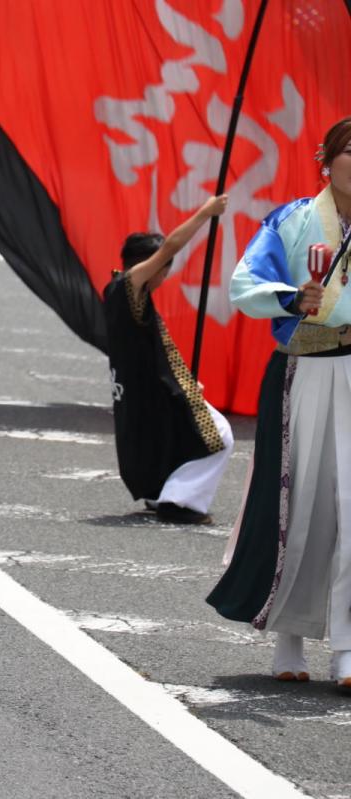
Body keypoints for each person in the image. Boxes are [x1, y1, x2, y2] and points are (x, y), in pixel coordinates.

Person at [208, 117, 351, 688]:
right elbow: (246, 285)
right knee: (302, 505)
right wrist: (294, 296)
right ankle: (289, 636)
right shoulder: (291, 221)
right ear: (327, 160)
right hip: (305, 370)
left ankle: (346, 647)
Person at [105, 196, 234, 525]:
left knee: (167, 440)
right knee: (218, 435)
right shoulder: (129, 286)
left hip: (140, 390)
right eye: (165, 268)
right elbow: (171, 246)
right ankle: (180, 502)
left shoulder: (117, 291)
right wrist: (206, 212)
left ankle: (161, 491)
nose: (165, 274)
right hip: (151, 392)